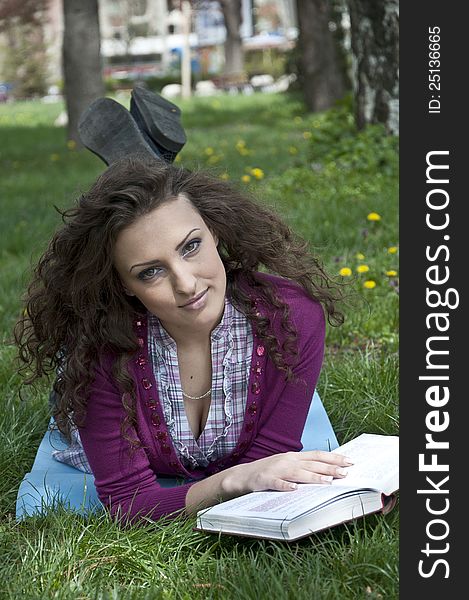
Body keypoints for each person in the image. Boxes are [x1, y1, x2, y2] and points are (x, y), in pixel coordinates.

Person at [15, 102, 350, 525]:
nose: (187, 284)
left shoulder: (291, 318)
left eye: (191, 246)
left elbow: (272, 460)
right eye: (151, 272)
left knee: (159, 211)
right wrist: (231, 482)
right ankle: (151, 162)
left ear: (214, 230)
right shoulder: (100, 349)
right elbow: (129, 504)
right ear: (123, 285)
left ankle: (147, 163)